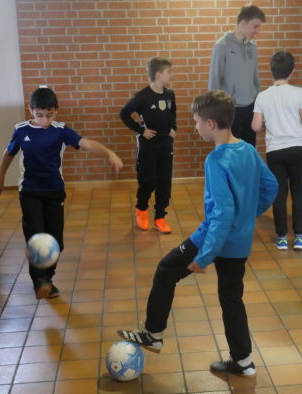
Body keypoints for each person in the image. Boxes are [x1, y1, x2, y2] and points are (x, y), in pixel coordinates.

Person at [117, 91, 278, 377]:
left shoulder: (216, 160)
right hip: (239, 242)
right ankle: (243, 361)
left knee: (166, 270)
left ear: (211, 125)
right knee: (232, 298)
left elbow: (222, 214)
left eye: (196, 122)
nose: (194, 127)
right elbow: (271, 188)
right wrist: (247, 216)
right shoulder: (249, 151)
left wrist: (206, 255)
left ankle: (153, 333)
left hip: (213, 238)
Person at [0, 87, 123, 299]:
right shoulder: (21, 130)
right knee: (36, 236)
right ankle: (40, 280)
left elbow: (85, 143)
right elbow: (9, 153)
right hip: (30, 192)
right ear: (30, 110)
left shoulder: (61, 130)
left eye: (49, 115)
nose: (44, 120)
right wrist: (0, 178)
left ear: (56, 111)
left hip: (54, 192)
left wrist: (108, 153)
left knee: (55, 242)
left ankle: (48, 278)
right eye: (39, 115)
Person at [252, 51, 302, 250]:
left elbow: (255, 126)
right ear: (292, 71)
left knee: (279, 193)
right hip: (297, 148)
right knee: (298, 191)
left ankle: (281, 237)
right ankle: (300, 236)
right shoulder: (299, 92)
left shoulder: (262, 96)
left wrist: (266, 125)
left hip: (275, 150)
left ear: (271, 71)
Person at [120, 57, 176, 233]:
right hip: (148, 148)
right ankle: (141, 209)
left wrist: (173, 127)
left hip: (166, 146)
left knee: (164, 184)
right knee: (148, 182)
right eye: (169, 72)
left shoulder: (169, 94)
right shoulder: (142, 97)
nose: (171, 75)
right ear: (158, 75)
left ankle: (160, 217)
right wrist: (140, 130)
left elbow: (173, 111)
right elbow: (124, 114)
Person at [209, 5, 265, 146]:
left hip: (250, 110)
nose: (257, 31)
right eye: (255, 26)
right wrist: (215, 114)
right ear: (242, 23)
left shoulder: (252, 47)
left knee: (249, 151)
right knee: (232, 153)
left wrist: (259, 108)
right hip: (230, 111)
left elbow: (255, 81)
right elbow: (214, 82)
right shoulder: (222, 46)